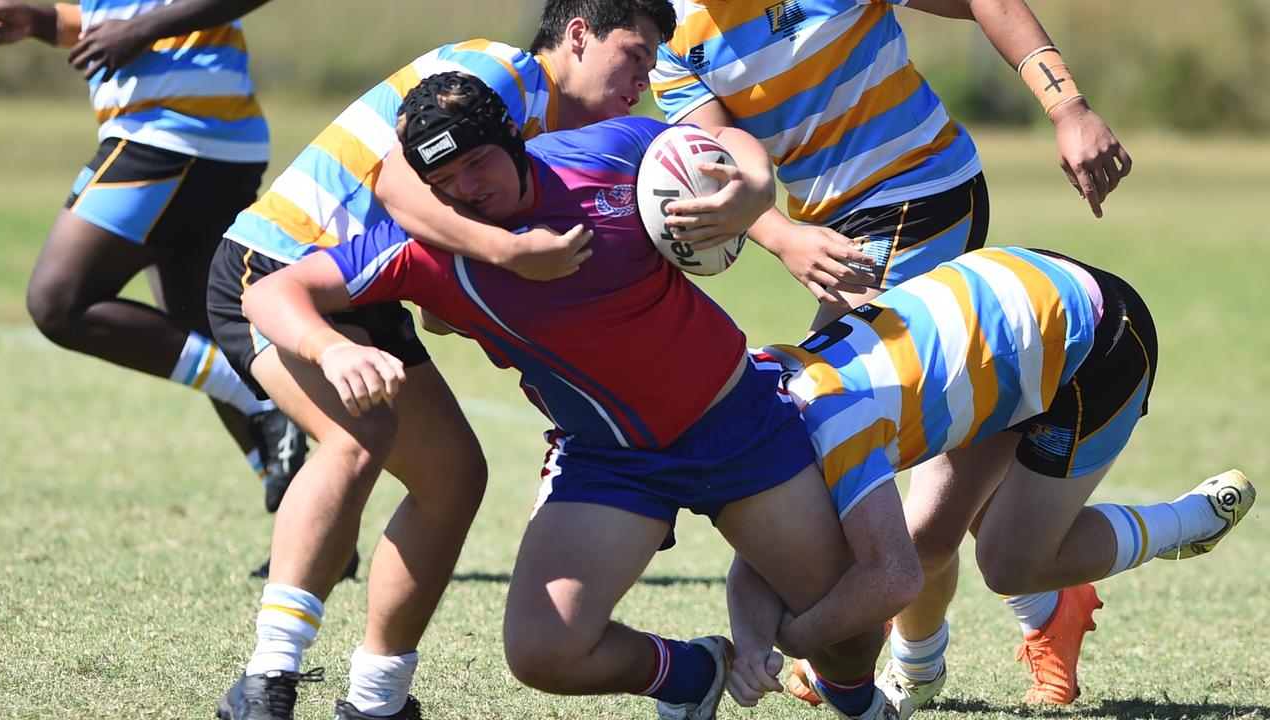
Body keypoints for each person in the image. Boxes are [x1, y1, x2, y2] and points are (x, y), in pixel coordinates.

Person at [239, 70, 868, 720]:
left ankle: (858, 700)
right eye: (444, 181)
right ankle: (692, 672)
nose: (466, 190)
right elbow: (269, 292)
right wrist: (333, 347)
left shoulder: (601, 156)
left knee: (847, 633)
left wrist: (762, 197)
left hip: (739, 423)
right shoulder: (428, 249)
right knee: (543, 653)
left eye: (476, 163)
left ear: (513, 137)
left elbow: (715, 144)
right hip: (613, 463)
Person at [651, 0, 1134, 706]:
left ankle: (887, 659)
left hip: (922, 196)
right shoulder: (673, 41)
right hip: (840, 231)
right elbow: (723, 167)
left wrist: (1067, 108)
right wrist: (780, 234)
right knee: (924, 498)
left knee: (824, 445)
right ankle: (1023, 620)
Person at [721, 246, 1255, 719]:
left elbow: (892, 577)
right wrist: (751, 645)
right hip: (1009, 313)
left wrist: (795, 637)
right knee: (927, 535)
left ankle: (1192, 519)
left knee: (1009, 564)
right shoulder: (761, 394)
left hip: (1095, 342)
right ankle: (920, 671)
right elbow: (760, 554)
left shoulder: (832, 428)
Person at [0, 0, 307, 569]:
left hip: (173, 133)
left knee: (57, 303)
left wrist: (140, 30)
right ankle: (314, 535)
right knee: (204, 329)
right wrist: (42, 23)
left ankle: (258, 398)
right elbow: (120, 18)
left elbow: (143, 23)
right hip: (194, 135)